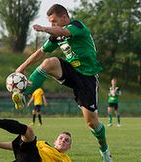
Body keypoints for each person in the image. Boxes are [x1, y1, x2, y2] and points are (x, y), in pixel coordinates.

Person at [11, 4, 112, 162]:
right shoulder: (56, 35)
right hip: (72, 71)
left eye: (54, 21)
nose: (52, 25)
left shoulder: (77, 26)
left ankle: (104, 150)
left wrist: (44, 29)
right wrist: (21, 68)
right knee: (49, 62)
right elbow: (41, 52)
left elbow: (63, 31)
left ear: (64, 18)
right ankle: (24, 95)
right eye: (50, 22)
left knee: (92, 123)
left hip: (87, 78)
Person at [0, 112, 72, 162]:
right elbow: (16, 146)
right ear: (55, 142)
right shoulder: (43, 144)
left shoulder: (66, 159)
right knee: (28, 130)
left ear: (69, 146)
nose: (63, 140)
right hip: (30, 155)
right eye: (61, 138)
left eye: (67, 140)